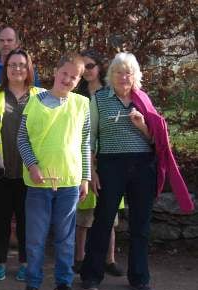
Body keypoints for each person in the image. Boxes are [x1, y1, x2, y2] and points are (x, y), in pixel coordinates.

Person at [80, 52, 193, 290]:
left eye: (128, 72)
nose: (123, 77)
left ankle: (139, 278)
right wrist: (92, 172)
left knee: (141, 225)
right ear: (111, 75)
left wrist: (142, 125)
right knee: (103, 221)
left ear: (135, 76)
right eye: (119, 72)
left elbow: (157, 140)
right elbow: (90, 140)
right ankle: (91, 275)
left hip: (143, 166)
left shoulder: (143, 99)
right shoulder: (99, 99)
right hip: (110, 166)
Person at [17, 53, 91, 290]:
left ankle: (64, 284)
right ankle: (33, 284)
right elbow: (22, 139)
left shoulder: (81, 105)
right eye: (64, 74)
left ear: (79, 80)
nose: (68, 79)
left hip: (69, 182)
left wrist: (85, 178)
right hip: (39, 184)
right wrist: (32, 165)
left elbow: (85, 143)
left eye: (74, 77)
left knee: (65, 237)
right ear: (56, 72)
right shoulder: (34, 102)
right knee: (35, 237)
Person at [0, 48, 45, 283]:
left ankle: (24, 262)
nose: (17, 68)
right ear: (6, 68)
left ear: (29, 68)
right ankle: (0, 262)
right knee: (0, 219)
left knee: (25, 219)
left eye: (22, 64)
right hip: (0, 169)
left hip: (28, 170)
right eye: (12, 65)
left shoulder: (40, 95)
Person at [74, 49, 124, 277]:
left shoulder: (110, 92)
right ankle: (80, 258)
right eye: (83, 67)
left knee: (108, 215)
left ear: (100, 67)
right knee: (84, 215)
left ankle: (109, 259)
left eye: (90, 66)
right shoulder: (77, 93)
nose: (86, 71)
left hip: (108, 159)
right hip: (83, 158)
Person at [0, 26, 41, 92]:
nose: (5, 43)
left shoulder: (28, 69)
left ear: (17, 43)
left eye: (9, 40)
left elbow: (37, 97)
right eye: (2, 40)